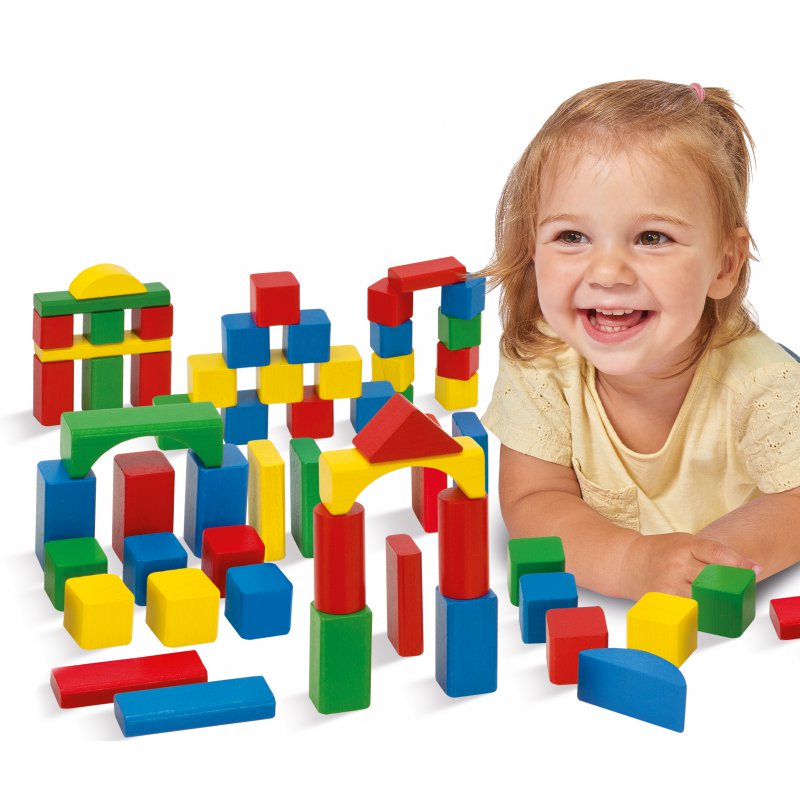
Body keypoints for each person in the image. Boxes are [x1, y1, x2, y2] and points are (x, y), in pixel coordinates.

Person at [482, 79, 800, 601]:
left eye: (652, 237)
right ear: (532, 248)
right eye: (571, 236)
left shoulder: (766, 385)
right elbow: (533, 498)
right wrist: (630, 561)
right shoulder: (542, 359)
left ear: (724, 263)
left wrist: (706, 561)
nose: (607, 272)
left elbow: (795, 501)